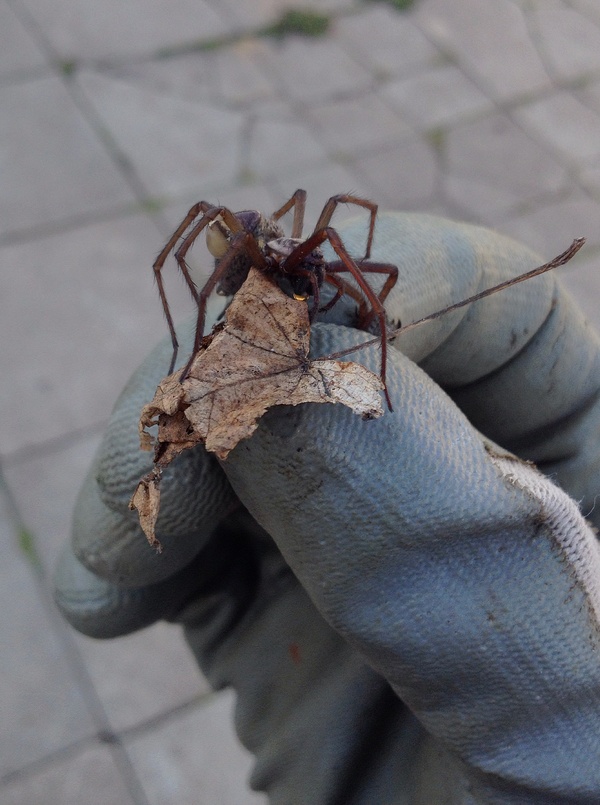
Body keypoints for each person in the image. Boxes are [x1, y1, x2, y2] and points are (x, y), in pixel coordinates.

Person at [54, 212, 600, 804]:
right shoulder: (275, 253)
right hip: (254, 261)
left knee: (372, 271)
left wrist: (373, 337)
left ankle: (374, 358)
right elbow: (252, 235)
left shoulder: (316, 266)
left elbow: (377, 268)